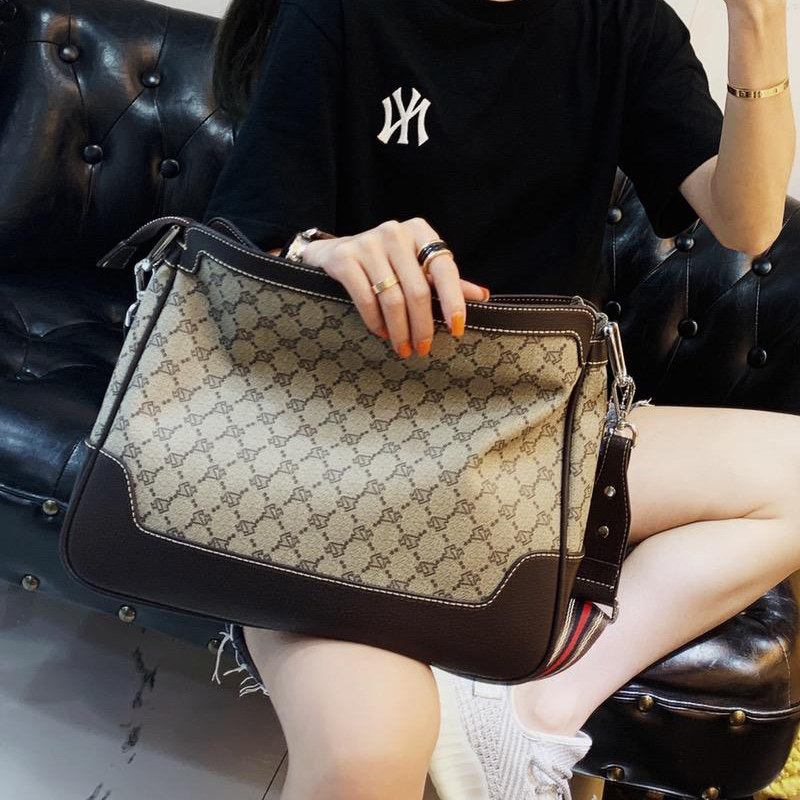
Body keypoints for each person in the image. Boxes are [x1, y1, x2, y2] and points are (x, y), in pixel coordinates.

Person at [203, 0, 797, 798]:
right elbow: (243, 249)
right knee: (369, 753)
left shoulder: (620, 22)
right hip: (344, 447)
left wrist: (758, 21)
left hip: (533, 438)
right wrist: (332, 253)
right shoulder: (340, 14)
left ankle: (531, 712)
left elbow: (748, 222)